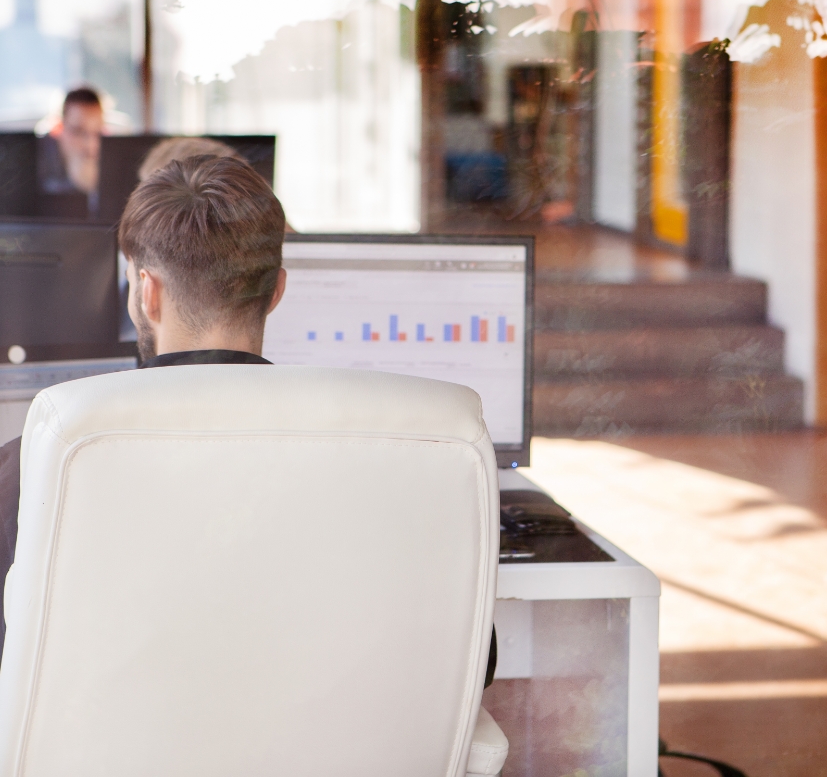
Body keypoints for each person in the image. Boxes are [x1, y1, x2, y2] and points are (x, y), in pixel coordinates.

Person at [0, 153, 495, 682]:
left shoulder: (42, 459)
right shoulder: (407, 461)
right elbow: (473, 661)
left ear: (146, 293)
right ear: (277, 290)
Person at [37, 87, 105, 218]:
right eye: (77, 132)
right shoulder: (38, 159)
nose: (90, 144)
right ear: (60, 128)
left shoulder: (114, 160)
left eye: (97, 133)